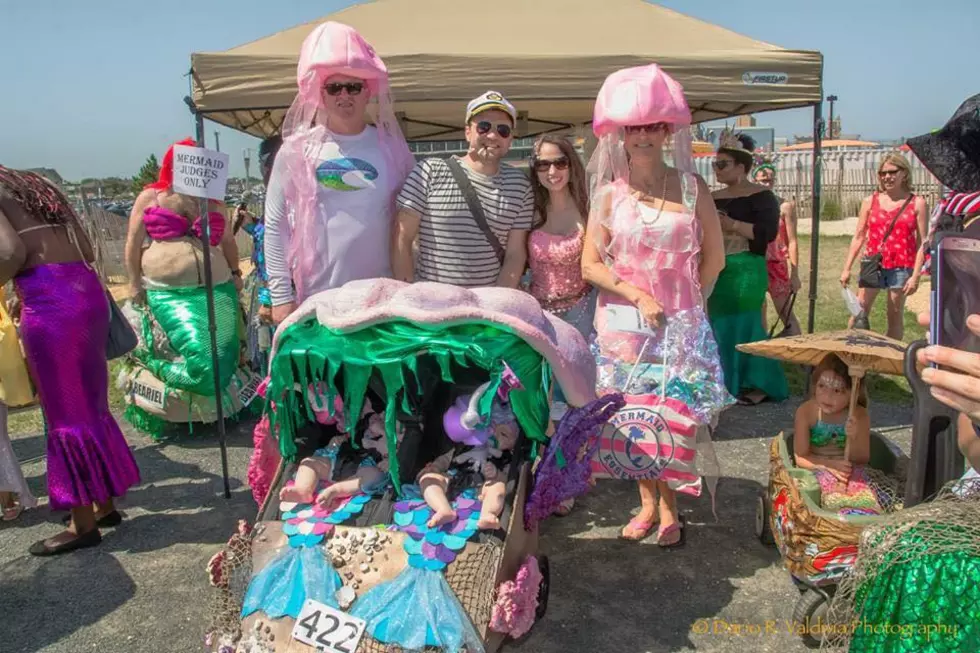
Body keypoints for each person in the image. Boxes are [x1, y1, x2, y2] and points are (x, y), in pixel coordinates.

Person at [581, 64, 730, 545]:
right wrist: (637, 294)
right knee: (636, 416)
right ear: (619, 134)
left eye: (651, 126)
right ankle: (647, 504)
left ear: (667, 130)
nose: (642, 136)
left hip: (679, 326)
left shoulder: (692, 188)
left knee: (673, 417)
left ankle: (671, 509)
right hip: (626, 327)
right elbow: (591, 266)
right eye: (633, 128)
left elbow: (716, 259)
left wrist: (691, 308)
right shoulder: (607, 196)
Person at [0, 166, 140, 555]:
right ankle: (105, 503)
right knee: (91, 406)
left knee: (65, 415)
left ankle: (82, 525)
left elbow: (10, 252)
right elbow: (88, 247)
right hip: (85, 291)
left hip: (49, 301)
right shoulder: (36, 184)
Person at [264, 21, 414, 325]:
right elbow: (275, 224)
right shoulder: (296, 151)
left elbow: (412, 222)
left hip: (384, 296)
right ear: (321, 93)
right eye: (334, 87)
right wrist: (280, 296)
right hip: (320, 297)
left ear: (367, 91)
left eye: (354, 86)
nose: (344, 95)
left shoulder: (393, 150)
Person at [392, 91, 533, 288]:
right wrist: (406, 294)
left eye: (503, 130)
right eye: (484, 127)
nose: (492, 135)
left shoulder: (520, 185)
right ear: (468, 132)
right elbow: (402, 236)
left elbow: (515, 254)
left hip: (488, 308)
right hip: (434, 306)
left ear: (510, 139)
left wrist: (497, 304)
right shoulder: (429, 171)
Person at [708, 131, 789, 405]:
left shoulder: (762, 196)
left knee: (747, 324)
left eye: (723, 164)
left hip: (746, 269)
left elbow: (767, 233)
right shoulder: (711, 197)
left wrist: (731, 225)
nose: (717, 169)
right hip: (717, 268)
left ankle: (758, 382)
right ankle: (725, 381)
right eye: (714, 165)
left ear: (742, 167)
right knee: (719, 325)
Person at [839, 153, 928, 340]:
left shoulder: (917, 203)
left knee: (894, 315)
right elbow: (859, 236)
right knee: (859, 310)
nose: (887, 177)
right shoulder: (870, 201)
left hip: (902, 265)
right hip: (873, 263)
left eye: (892, 172)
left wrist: (916, 276)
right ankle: (849, 355)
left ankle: (889, 358)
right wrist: (847, 268)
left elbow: (922, 243)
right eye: (883, 173)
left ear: (904, 173)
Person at [240, 136, 281, 371]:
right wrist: (252, 225)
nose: (263, 169)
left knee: (273, 354)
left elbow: (274, 250)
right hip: (267, 288)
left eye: (265, 162)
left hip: (277, 292)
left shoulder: (286, 193)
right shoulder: (274, 194)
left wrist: (267, 300)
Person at [753, 160, 802, 336]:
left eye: (770, 180)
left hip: (776, 264)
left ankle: (800, 357)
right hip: (756, 262)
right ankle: (761, 350)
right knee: (758, 309)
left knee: (786, 312)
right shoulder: (752, 207)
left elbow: (793, 241)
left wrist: (795, 274)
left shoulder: (784, 206)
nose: (766, 184)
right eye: (762, 180)